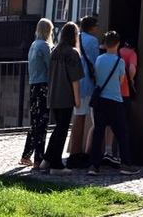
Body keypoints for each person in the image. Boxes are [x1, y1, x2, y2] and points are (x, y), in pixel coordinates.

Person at [86, 30, 139, 176]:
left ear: (105, 44)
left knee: (98, 133)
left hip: (100, 101)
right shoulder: (119, 61)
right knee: (122, 134)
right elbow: (121, 81)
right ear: (118, 44)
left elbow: (97, 77)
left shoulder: (99, 59)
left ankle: (93, 166)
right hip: (115, 100)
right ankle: (126, 164)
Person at [43, 21, 83, 173]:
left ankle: (47, 159)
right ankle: (56, 164)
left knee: (58, 128)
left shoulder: (54, 51)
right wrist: (77, 98)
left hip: (53, 94)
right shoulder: (73, 53)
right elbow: (75, 79)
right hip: (65, 95)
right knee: (62, 130)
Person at [20, 18, 53, 168]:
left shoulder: (33, 45)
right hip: (43, 86)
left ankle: (26, 155)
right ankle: (39, 159)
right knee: (42, 123)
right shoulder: (45, 46)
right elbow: (50, 66)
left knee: (34, 122)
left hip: (33, 85)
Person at [68, 14, 100, 166]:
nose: (98, 29)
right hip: (87, 83)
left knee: (78, 117)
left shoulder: (77, 37)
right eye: (96, 26)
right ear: (91, 28)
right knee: (81, 118)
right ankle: (77, 154)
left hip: (75, 81)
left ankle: (76, 152)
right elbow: (95, 62)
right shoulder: (92, 41)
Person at [102, 36, 138, 166]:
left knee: (110, 123)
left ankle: (108, 151)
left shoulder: (118, 52)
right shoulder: (132, 54)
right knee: (122, 124)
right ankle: (121, 155)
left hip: (110, 92)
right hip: (124, 92)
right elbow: (132, 68)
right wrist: (131, 79)